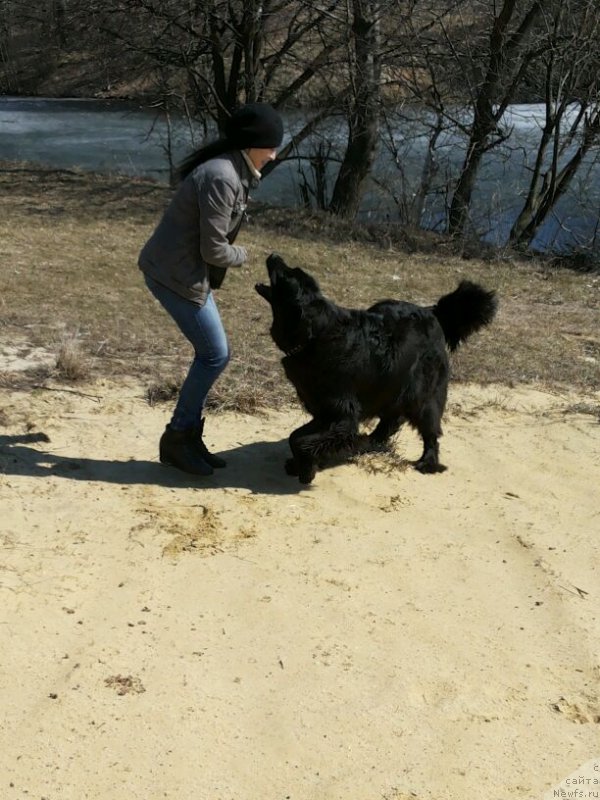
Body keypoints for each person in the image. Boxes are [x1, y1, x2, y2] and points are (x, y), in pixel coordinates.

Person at [139, 102, 284, 475]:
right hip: (173, 274)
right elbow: (214, 249)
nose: (275, 154)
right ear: (253, 144)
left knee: (213, 353)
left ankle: (188, 436)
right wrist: (244, 254)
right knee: (214, 355)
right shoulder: (223, 176)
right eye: (271, 146)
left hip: (181, 270)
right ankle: (178, 437)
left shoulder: (233, 169)